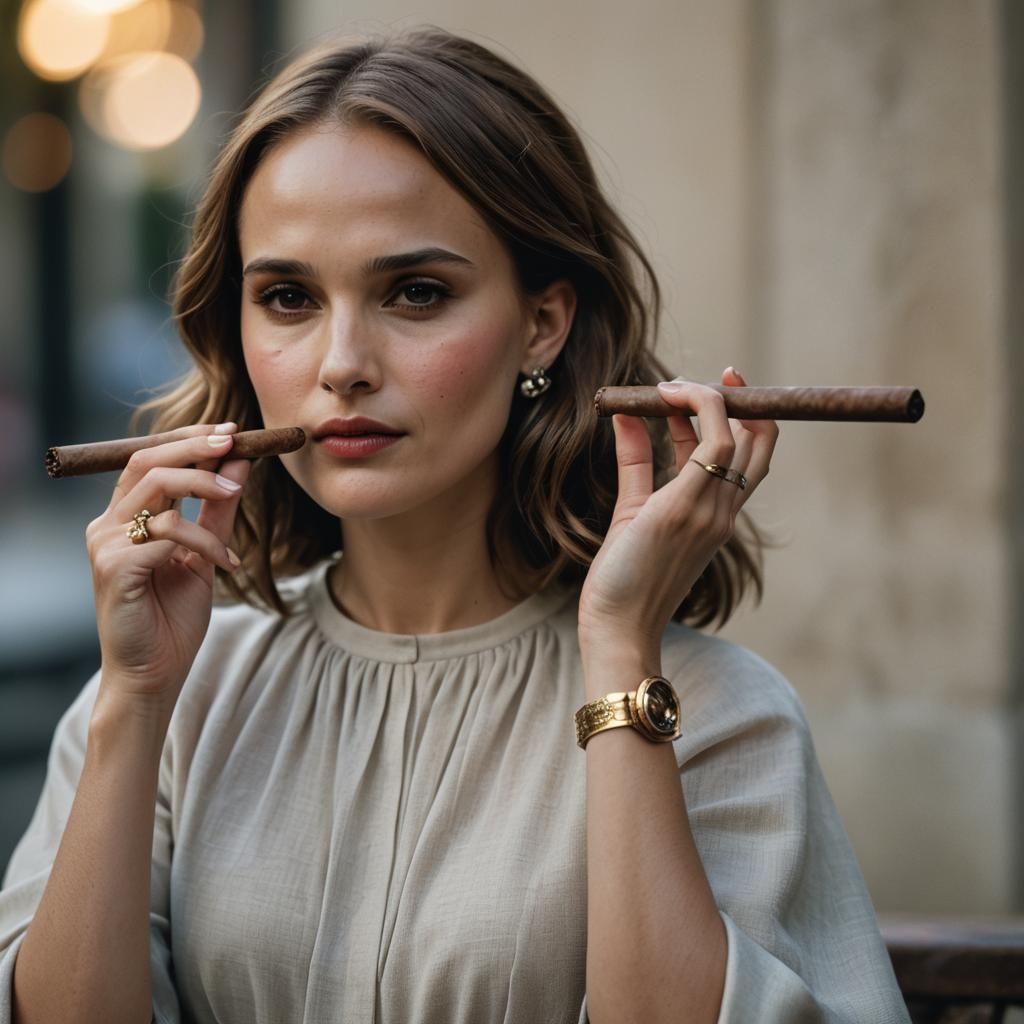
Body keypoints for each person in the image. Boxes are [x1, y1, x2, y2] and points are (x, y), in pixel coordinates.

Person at [0, 27, 910, 1024]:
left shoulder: (716, 709)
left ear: (542, 323)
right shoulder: (181, 690)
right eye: (289, 297)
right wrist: (133, 700)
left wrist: (616, 650)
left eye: (415, 292)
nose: (342, 361)